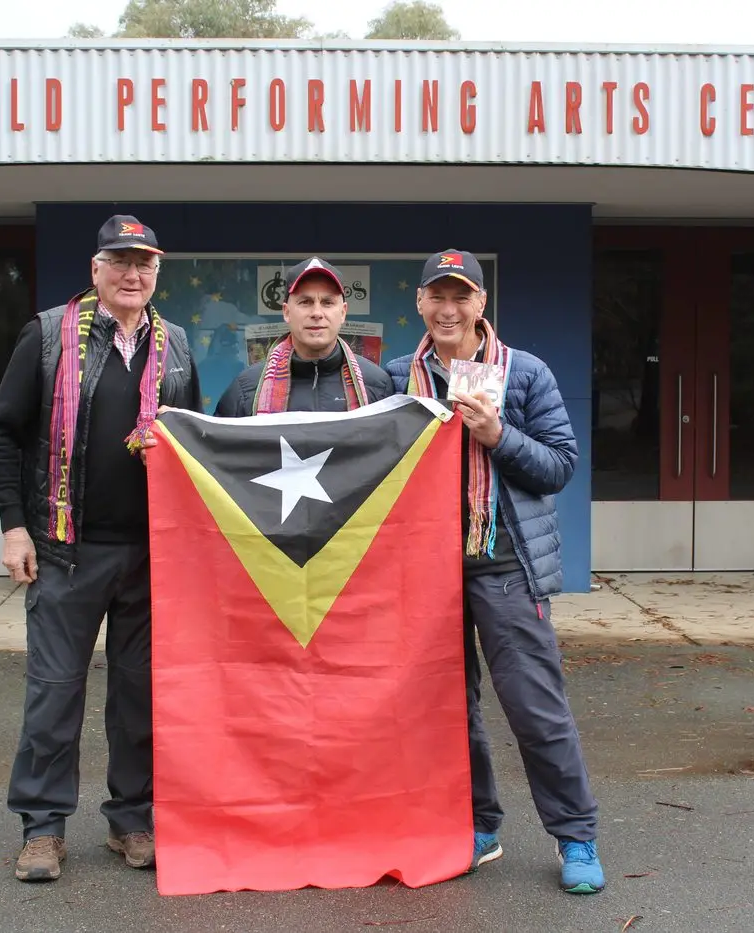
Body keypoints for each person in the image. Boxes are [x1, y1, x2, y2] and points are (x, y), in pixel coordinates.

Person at [0, 214, 202, 882]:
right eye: (121, 261)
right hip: (63, 550)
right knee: (54, 694)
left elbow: (190, 442)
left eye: (145, 264)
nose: (133, 274)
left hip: (148, 555)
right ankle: (42, 827)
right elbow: (1, 433)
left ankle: (130, 818)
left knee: (138, 697)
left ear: (155, 273)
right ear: (96, 270)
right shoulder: (47, 336)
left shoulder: (179, 346)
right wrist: (13, 526)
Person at [384, 249, 605, 895]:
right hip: (425, 568)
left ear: (481, 304)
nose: (448, 309)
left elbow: (559, 465)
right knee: (450, 710)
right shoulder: (398, 375)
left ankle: (575, 835)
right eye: (436, 296)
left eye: (462, 296)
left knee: (535, 710)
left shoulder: (524, 372)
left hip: (504, 561)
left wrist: (497, 435)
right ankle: (477, 825)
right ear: (420, 303)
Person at [215, 256, 393, 416]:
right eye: (305, 302)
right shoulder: (246, 390)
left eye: (327, 302)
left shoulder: (378, 386)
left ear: (343, 312)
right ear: (286, 312)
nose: (317, 313)